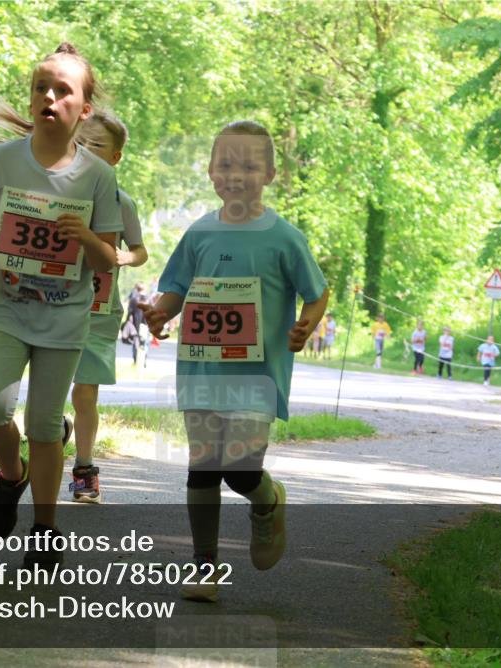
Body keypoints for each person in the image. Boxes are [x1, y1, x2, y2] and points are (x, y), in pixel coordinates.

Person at [140, 121, 328, 602]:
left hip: (257, 376)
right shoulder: (200, 232)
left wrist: (306, 324)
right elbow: (177, 287)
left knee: (240, 470)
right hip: (202, 370)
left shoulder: (285, 238)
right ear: (210, 172)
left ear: (268, 173)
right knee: (203, 466)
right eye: (226, 164)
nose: (236, 174)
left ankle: (267, 501)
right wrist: (161, 313)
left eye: (248, 165)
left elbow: (317, 292)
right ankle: (205, 569)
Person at [0, 43, 121, 568]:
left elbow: (110, 258)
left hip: (64, 317)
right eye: (40, 87)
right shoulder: (3, 161)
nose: (48, 96)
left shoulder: (98, 177)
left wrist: (85, 237)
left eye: (62, 90)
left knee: (47, 425)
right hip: (5, 306)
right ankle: (11, 475)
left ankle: (46, 529)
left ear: (84, 109)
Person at [67, 111, 148, 504]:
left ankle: (84, 469)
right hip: (51, 305)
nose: (84, 150)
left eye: (95, 145)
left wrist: (123, 258)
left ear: (116, 157)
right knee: (47, 395)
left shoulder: (123, 203)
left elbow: (140, 251)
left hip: (98, 311)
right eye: (79, 141)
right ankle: (54, 432)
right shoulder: (56, 191)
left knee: (85, 394)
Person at [126, 282, 150, 366]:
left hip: (135, 324)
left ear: (136, 289)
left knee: (135, 342)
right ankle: (144, 361)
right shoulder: (148, 299)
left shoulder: (134, 299)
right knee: (145, 342)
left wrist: (126, 322)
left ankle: (135, 360)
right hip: (146, 324)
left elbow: (129, 312)